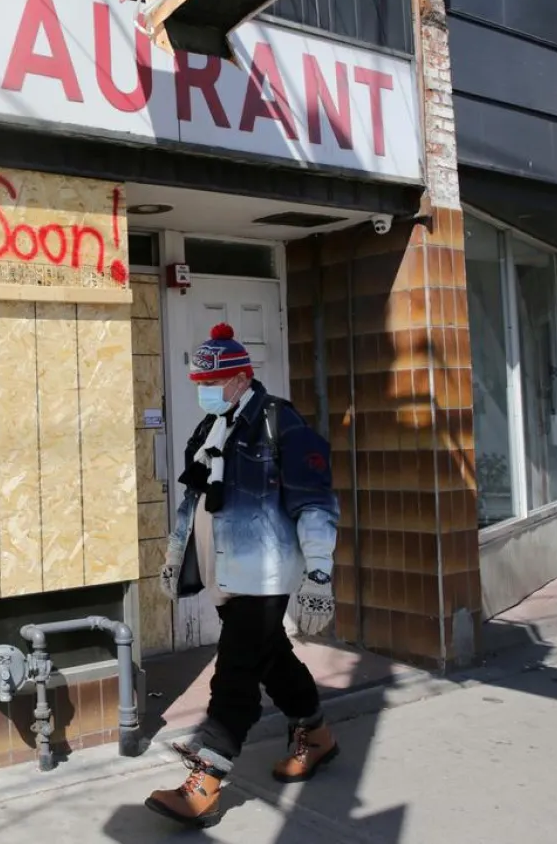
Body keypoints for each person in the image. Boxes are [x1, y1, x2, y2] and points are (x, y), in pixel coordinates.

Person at [145, 323, 342, 828]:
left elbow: (315, 503)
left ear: (241, 378)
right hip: (222, 570)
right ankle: (315, 733)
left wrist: (319, 575)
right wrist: (175, 555)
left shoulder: (282, 423)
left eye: (213, 383)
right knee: (270, 656)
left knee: (235, 668)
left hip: (266, 572)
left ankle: (206, 779)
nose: (203, 392)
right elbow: (192, 501)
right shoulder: (208, 428)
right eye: (199, 383)